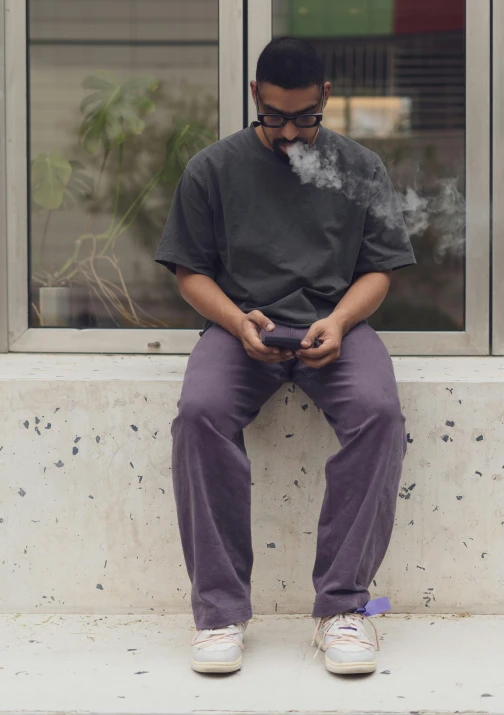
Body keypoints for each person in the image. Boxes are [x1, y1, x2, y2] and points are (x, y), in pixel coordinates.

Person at [154, 36, 416, 675]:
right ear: (254, 97)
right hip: (240, 327)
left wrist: (340, 319)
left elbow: (380, 271)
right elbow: (189, 272)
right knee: (199, 413)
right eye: (274, 116)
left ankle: (346, 608)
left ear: (327, 97)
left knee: (380, 413)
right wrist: (238, 320)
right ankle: (219, 616)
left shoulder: (360, 168)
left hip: (338, 326)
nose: (290, 131)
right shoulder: (213, 169)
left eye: (304, 116)